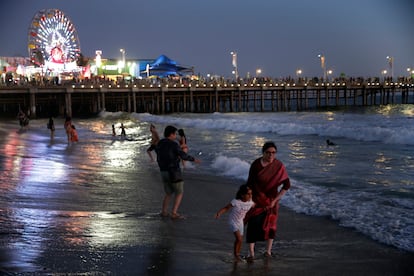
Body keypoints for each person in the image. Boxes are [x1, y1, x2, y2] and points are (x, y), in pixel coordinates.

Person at [244, 141, 291, 261]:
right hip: (257, 200)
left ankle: (268, 252)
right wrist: (249, 200)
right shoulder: (256, 165)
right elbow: (249, 184)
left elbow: (287, 185)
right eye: (268, 153)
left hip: (271, 202)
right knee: (253, 226)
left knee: (271, 226)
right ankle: (251, 253)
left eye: (274, 153)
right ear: (263, 153)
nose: (271, 155)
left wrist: (275, 200)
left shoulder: (278, 166)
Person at [156, 125, 201, 219]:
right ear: (171, 134)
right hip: (174, 171)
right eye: (175, 134)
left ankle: (164, 212)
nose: (176, 136)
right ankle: (174, 213)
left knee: (168, 193)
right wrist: (194, 159)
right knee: (179, 192)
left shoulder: (160, 143)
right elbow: (183, 155)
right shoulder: (173, 144)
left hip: (163, 171)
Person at [215, 184, 255, 262]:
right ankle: (236, 255)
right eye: (248, 194)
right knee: (239, 239)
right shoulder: (236, 202)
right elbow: (226, 208)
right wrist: (219, 213)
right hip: (232, 221)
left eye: (251, 194)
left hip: (240, 222)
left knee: (239, 240)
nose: (250, 195)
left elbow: (256, 205)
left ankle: (237, 254)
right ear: (242, 195)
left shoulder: (250, 202)